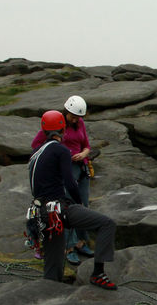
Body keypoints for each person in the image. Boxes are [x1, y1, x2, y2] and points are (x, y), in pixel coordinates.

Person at [29, 109, 117, 289]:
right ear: (63, 130)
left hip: (40, 213)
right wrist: (78, 203)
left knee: (53, 268)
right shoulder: (60, 150)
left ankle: (48, 293)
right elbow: (70, 183)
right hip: (59, 210)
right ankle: (98, 274)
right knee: (107, 224)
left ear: (44, 131)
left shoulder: (37, 152)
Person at [31, 95, 93, 265]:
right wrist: (58, 156)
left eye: (78, 117)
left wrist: (84, 154)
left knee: (82, 206)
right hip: (65, 171)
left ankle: (82, 242)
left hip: (81, 168)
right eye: (73, 116)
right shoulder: (55, 125)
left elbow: (86, 145)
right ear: (66, 112)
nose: (75, 119)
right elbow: (36, 146)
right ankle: (69, 246)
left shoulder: (80, 124)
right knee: (67, 208)